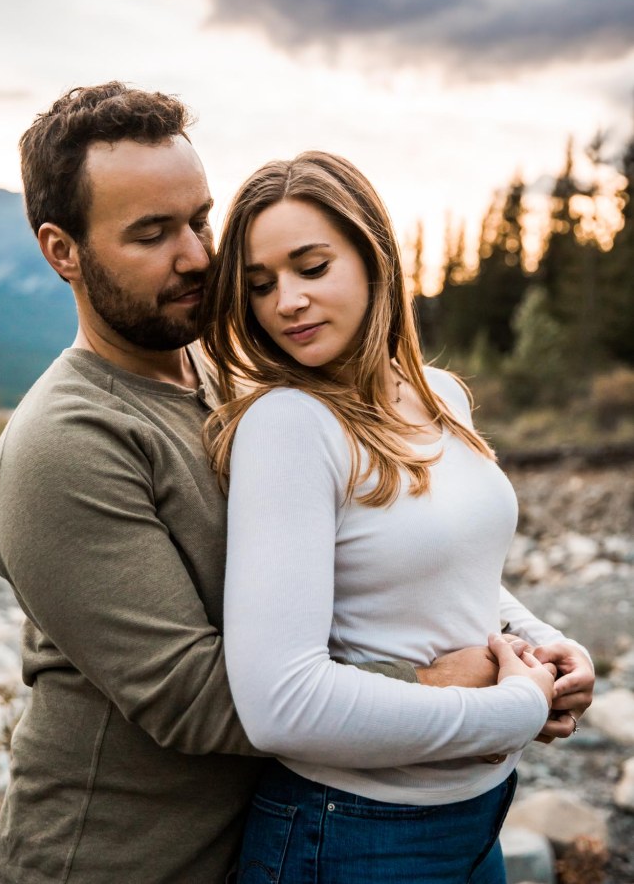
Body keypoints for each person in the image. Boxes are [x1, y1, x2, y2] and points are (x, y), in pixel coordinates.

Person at [0, 83, 515, 884]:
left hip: (264, 832)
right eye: (153, 233)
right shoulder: (63, 442)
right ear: (63, 250)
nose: (198, 255)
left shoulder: (228, 374)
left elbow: (367, 555)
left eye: (200, 218)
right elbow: (190, 694)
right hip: (118, 858)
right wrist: (433, 680)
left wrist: (520, 639)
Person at [202, 150, 595, 883]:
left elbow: (445, 569)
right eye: (260, 285)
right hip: (353, 834)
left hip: (478, 812)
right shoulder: (289, 426)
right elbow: (280, 704)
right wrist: (512, 711)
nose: (285, 300)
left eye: (311, 267)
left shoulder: (442, 391)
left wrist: (547, 645)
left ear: (375, 258)